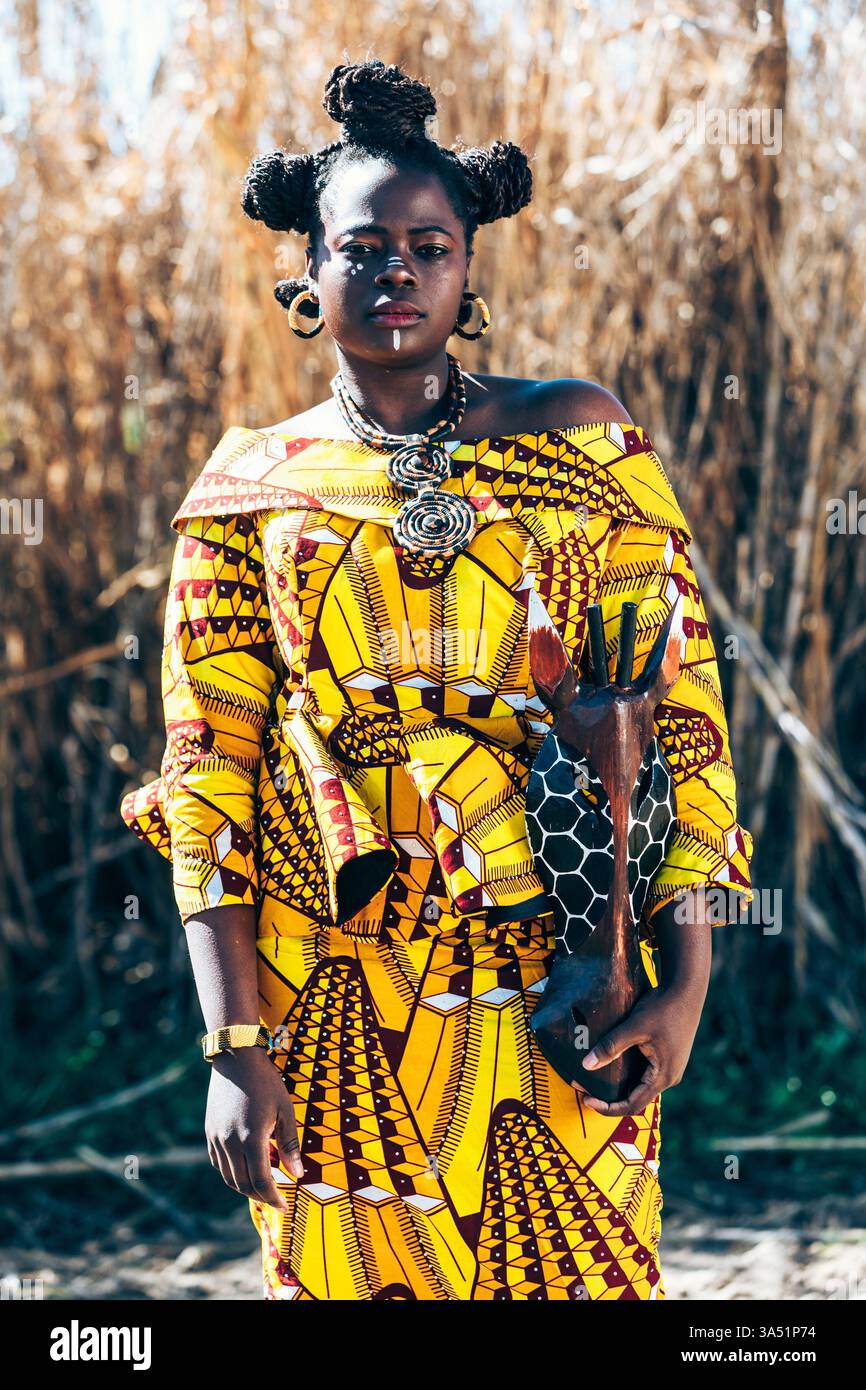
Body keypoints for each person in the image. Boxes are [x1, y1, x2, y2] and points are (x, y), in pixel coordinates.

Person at [120, 59, 752, 1301]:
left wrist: (681, 983)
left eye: (428, 245)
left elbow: (675, 721)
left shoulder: (579, 440)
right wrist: (236, 1046)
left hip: (566, 962)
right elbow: (208, 779)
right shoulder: (250, 488)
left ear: (467, 274)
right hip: (329, 986)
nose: (395, 270)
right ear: (308, 273)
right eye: (362, 247)